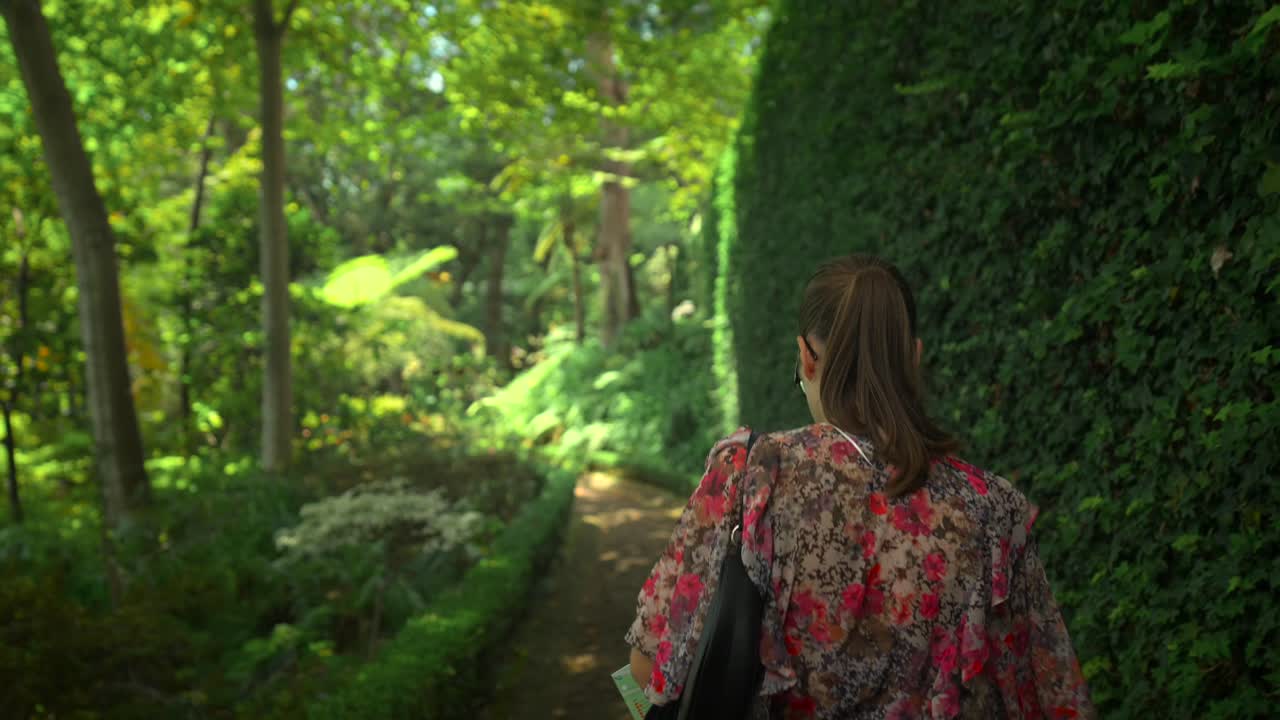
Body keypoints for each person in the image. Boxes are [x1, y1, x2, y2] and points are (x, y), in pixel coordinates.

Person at [624, 255, 1095, 719]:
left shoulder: (749, 477)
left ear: (806, 357)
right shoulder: (995, 508)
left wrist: (641, 711)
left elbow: (645, 671)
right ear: (914, 357)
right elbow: (1054, 694)